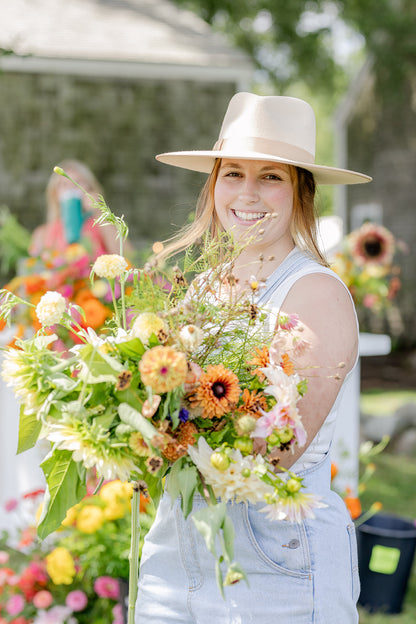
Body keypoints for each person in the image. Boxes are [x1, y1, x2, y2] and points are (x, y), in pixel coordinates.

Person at [136, 92, 372, 623]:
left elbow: (276, 450)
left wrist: (162, 416)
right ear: (213, 184)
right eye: (232, 173)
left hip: (276, 565)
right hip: (176, 557)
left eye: (271, 177)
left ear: (300, 193)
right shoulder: (200, 291)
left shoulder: (316, 295)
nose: (247, 193)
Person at [30, 159, 121, 258]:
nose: (71, 188)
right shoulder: (43, 233)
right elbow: (36, 268)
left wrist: (99, 211)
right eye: (64, 184)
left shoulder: (103, 226)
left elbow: (127, 256)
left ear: (90, 189)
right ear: (55, 194)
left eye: (78, 182)